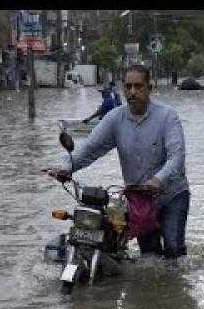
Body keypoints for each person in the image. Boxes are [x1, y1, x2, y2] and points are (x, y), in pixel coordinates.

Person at [45, 64, 190, 259]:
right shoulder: (115, 118)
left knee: (173, 248)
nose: (132, 92)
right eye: (128, 86)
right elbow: (89, 148)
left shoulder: (167, 117)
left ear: (149, 88)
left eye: (138, 86)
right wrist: (65, 166)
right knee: (150, 256)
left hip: (172, 194)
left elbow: (177, 157)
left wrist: (158, 180)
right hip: (140, 199)